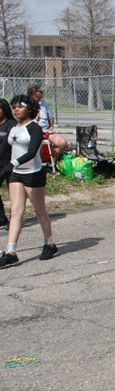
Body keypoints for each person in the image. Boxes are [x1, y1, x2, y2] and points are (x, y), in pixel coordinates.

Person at [0, 94, 58, 266]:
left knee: (40, 211)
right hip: (16, 174)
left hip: (33, 174)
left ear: (30, 109)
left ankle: (50, 244)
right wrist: (12, 165)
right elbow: (3, 148)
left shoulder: (34, 128)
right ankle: (11, 251)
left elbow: (32, 152)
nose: (16, 109)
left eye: (20, 106)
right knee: (16, 212)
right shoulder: (14, 128)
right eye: (14, 107)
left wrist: (13, 163)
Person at [27, 84, 66, 160]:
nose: (42, 93)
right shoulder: (26, 104)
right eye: (40, 91)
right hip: (32, 132)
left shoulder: (43, 102)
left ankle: (52, 162)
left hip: (45, 131)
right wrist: (38, 133)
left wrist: (51, 127)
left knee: (62, 142)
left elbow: (50, 116)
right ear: (34, 93)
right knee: (37, 145)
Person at [0, 99, 15, 227]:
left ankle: (15, 220)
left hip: (10, 162)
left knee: (14, 193)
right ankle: (2, 219)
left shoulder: (11, 124)